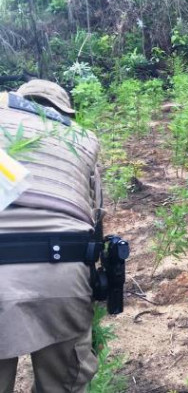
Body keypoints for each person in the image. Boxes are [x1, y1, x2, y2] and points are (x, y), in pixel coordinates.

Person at [0, 79, 102, 392]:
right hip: (63, 272)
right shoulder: (83, 138)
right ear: (66, 112)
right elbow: (95, 219)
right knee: (63, 384)